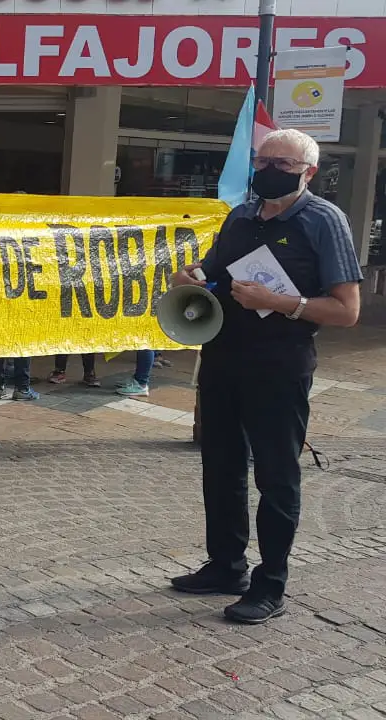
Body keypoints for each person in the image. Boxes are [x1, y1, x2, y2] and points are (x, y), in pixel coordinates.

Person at [168, 129, 361, 624]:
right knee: (221, 466)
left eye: (284, 165)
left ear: (309, 173)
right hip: (223, 355)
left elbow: (346, 310)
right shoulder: (241, 216)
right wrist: (191, 276)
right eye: (263, 161)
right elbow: (213, 271)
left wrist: (277, 302)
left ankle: (270, 583)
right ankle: (225, 565)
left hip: (280, 362)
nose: (270, 171)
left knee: (276, 474)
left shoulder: (324, 220)